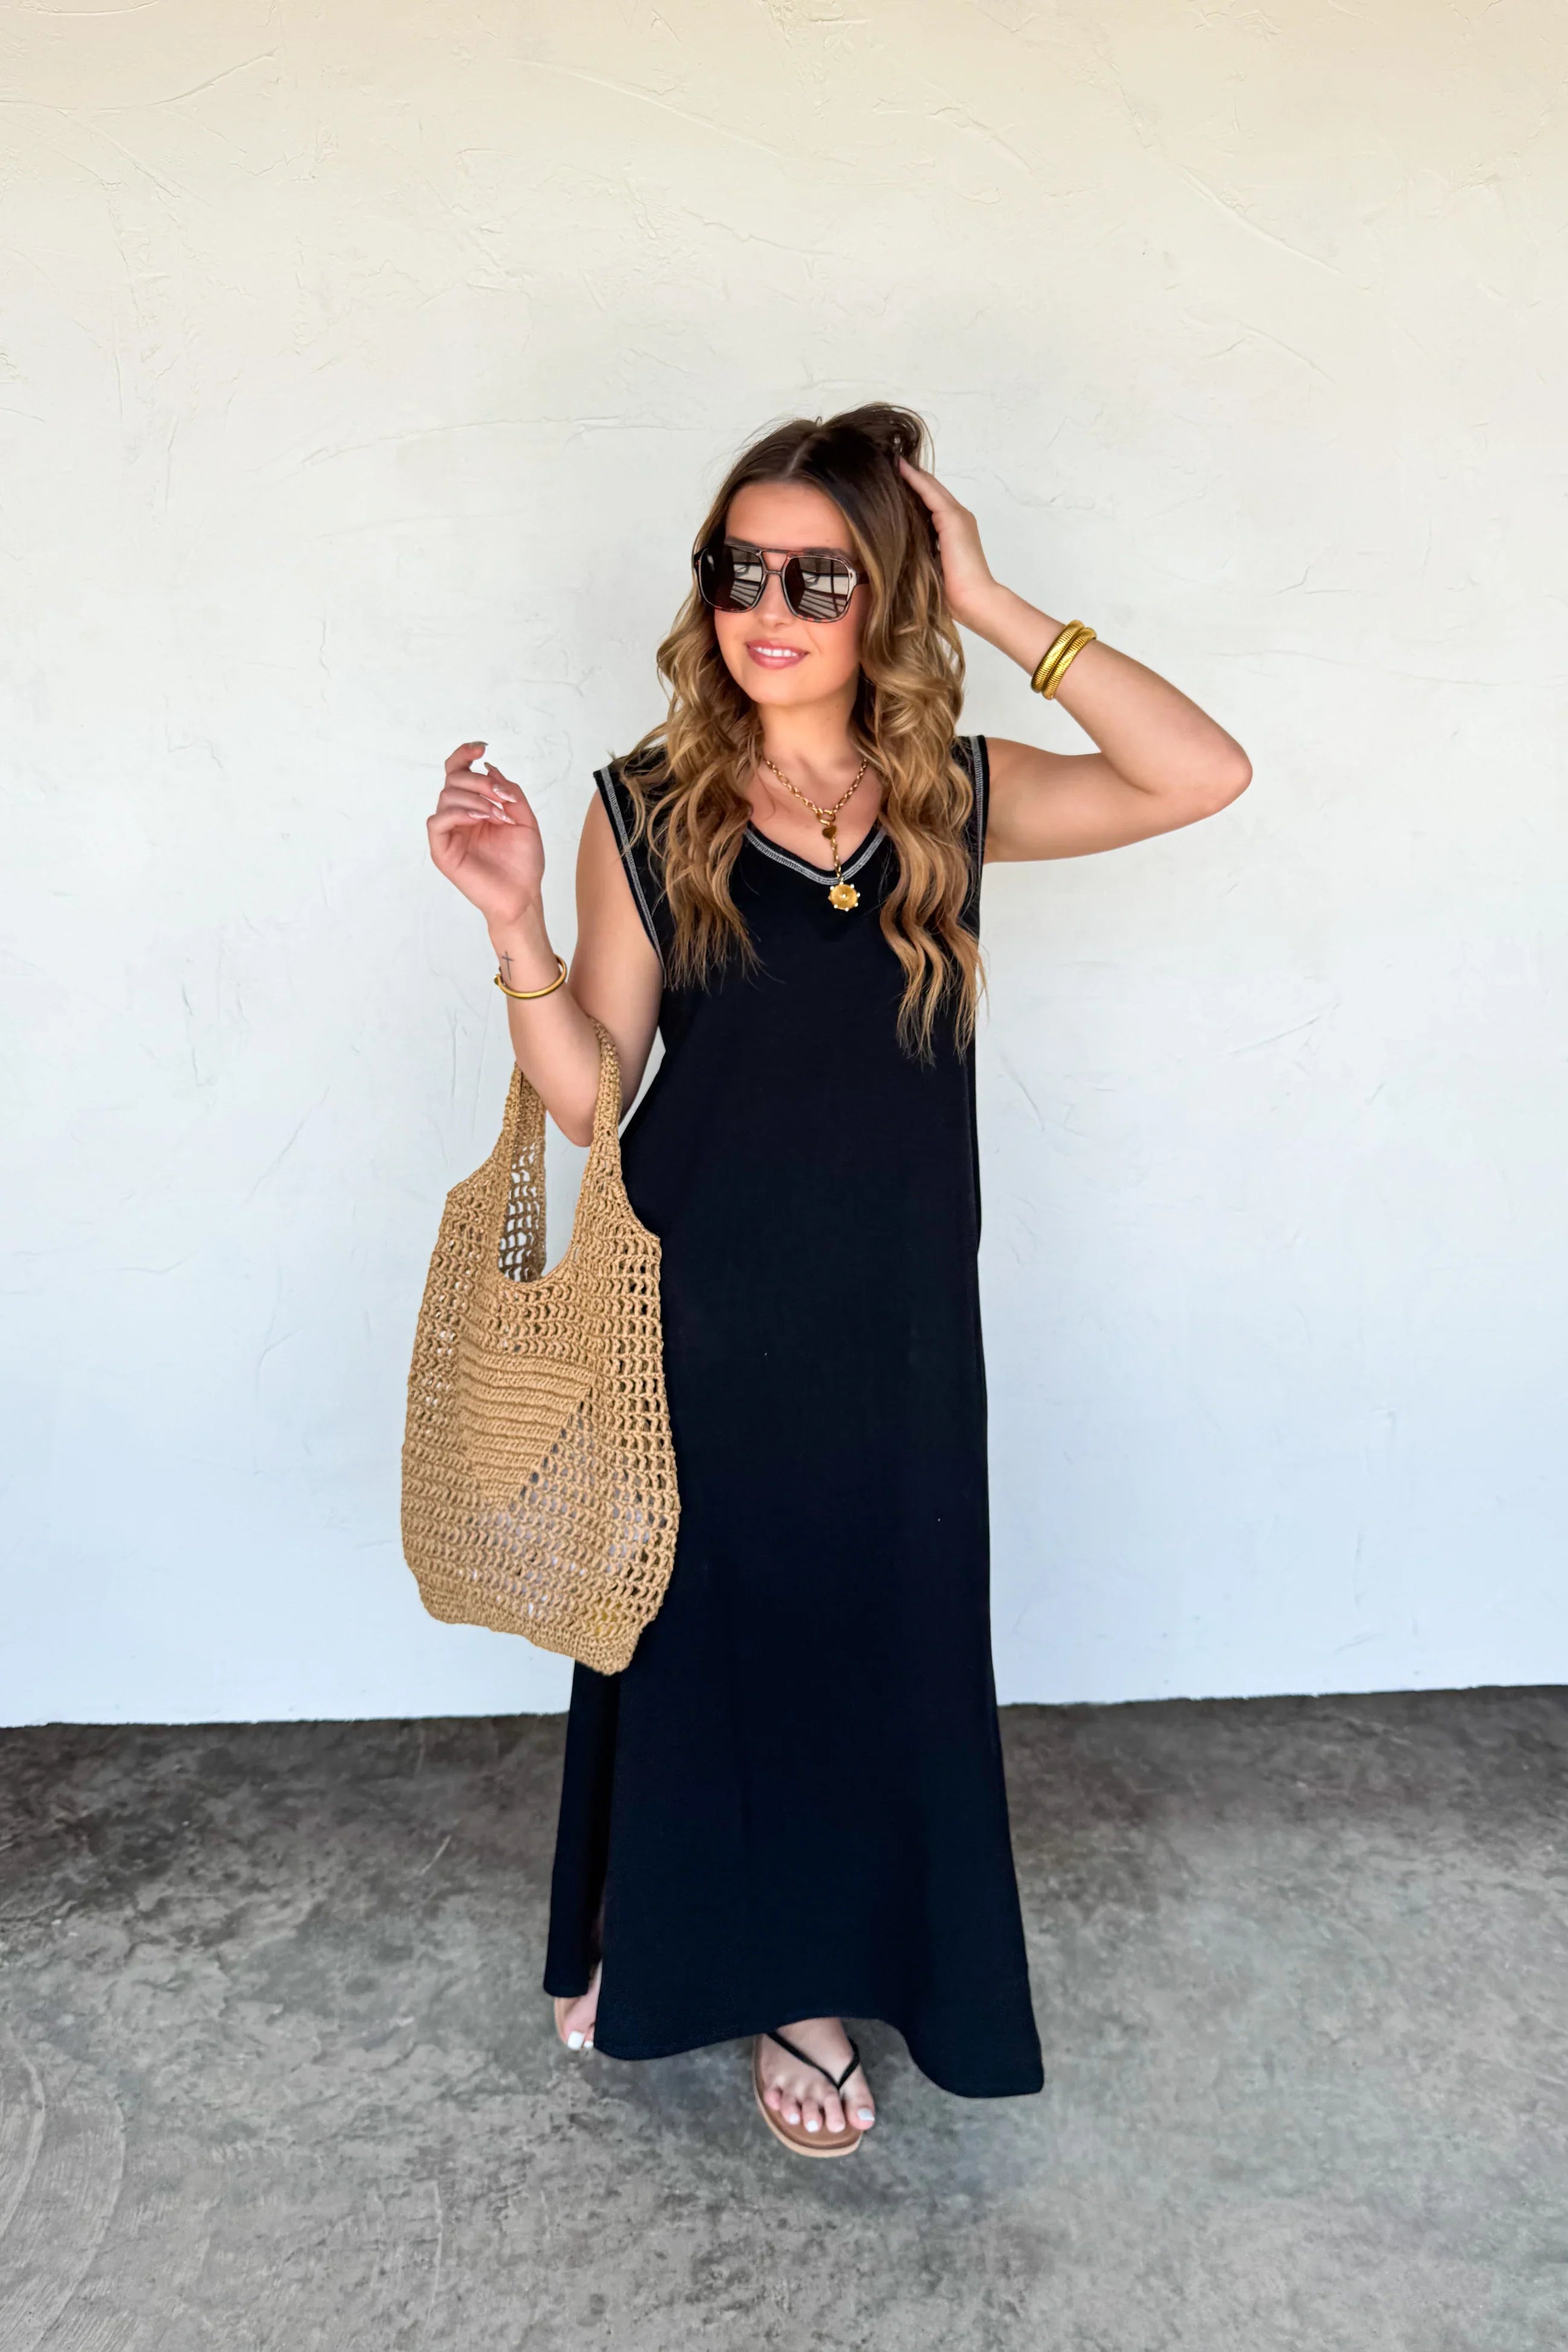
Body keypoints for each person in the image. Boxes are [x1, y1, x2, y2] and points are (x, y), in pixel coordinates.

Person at [426, 404, 1250, 2157]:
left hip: (899, 1320)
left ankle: (866, 1949)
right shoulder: (648, 806)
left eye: (820, 575)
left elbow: (1201, 773)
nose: (770, 608)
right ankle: (764, 1981)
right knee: (723, 1643)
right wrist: (515, 927)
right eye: (742, 571)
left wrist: (998, 602)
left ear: (885, 592)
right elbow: (595, 1100)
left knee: (888, 1638)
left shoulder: (946, 793)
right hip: (704, 1312)